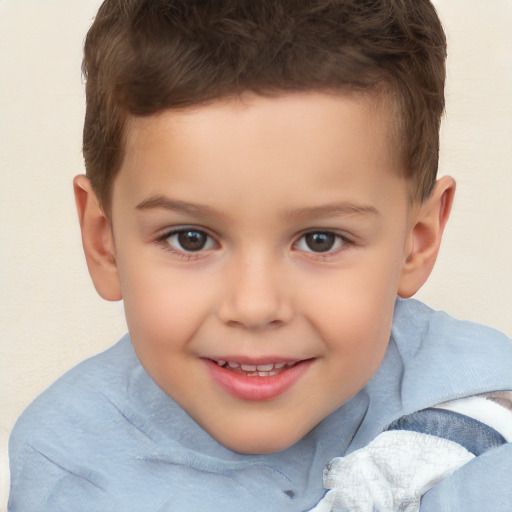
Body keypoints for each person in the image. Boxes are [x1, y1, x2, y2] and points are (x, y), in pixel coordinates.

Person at [7, 0, 512, 511]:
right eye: (190, 239)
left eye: (321, 240)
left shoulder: (484, 435)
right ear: (103, 240)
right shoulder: (68, 466)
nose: (254, 306)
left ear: (417, 239)